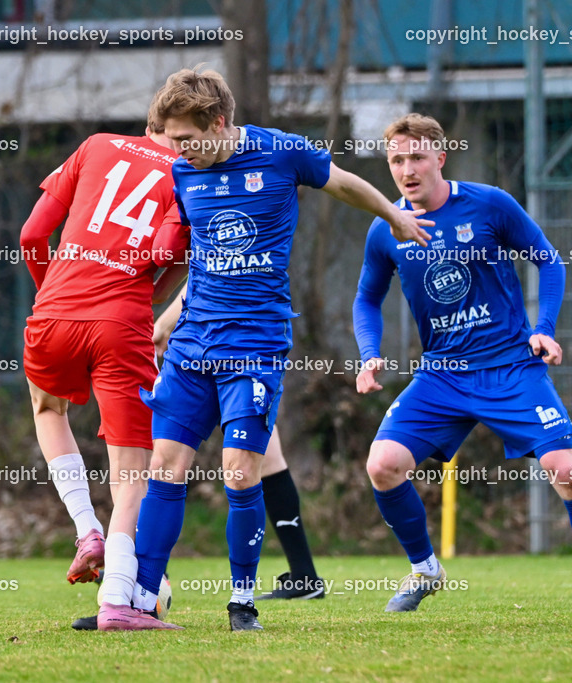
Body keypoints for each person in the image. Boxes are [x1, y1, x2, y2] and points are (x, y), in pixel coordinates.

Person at [130, 67, 433, 631]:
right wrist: (163, 326)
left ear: (218, 122)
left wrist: (392, 214)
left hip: (254, 345)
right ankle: (141, 599)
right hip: (194, 342)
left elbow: (342, 182)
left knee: (240, 474)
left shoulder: (282, 153)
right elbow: (203, 263)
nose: (178, 151)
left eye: (187, 139)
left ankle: (241, 602)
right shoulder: (182, 173)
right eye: (171, 141)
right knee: (165, 467)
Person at [352, 112, 572, 612]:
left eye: (417, 157)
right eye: (397, 160)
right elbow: (366, 299)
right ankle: (425, 571)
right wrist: (369, 354)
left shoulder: (489, 205)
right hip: (441, 375)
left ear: (440, 158)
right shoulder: (387, 229)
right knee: (382, 466)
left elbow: (549, 261)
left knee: (566, 471)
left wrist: (543, 330)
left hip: (510, 366)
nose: (407, 169)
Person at [19, 122, 189, 631]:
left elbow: (31, 234)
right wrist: (153, 289)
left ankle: (85, 528)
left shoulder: (95, 146)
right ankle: (117, 600)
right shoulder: (190, 175)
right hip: (122, 323)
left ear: (149, 123)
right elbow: (165, 258)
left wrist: (52, 292)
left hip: (53, 311)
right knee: (131, 469)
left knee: (48, 408)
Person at [153, 287, 325, 601]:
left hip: (232, 341)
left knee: (247, 463)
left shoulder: (235, 253)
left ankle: (150, 577)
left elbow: (210, 272)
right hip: (227, 338)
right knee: (265, 459)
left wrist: (164, 324)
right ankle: (304, 574)